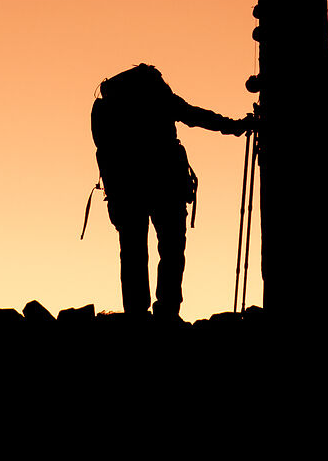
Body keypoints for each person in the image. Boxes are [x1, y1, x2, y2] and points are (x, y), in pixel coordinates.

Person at [91, 63, 250, 320]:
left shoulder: (111, 106)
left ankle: (136, 312)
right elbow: (196, 115)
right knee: (172, 248)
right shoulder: (158, 96)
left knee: (132, 251)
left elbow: (104, 150)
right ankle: (166, 311)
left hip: (127, 190)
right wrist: (234, 126)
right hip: (166, 185)